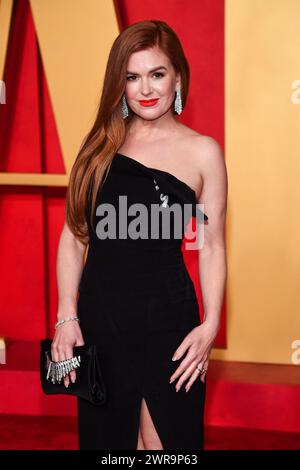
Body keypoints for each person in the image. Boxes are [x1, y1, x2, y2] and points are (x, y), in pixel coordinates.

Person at [52, 20, 227, 450]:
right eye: (132, 77)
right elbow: (75, 237)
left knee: (169, 449)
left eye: (157, 74)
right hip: (101, 323)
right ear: (120, 83)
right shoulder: (99, 147)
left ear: (178, 77)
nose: (145, 88)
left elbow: (211, 245)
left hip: (169, 325)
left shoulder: (202, 152)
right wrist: (66, 316)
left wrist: (211, 326)